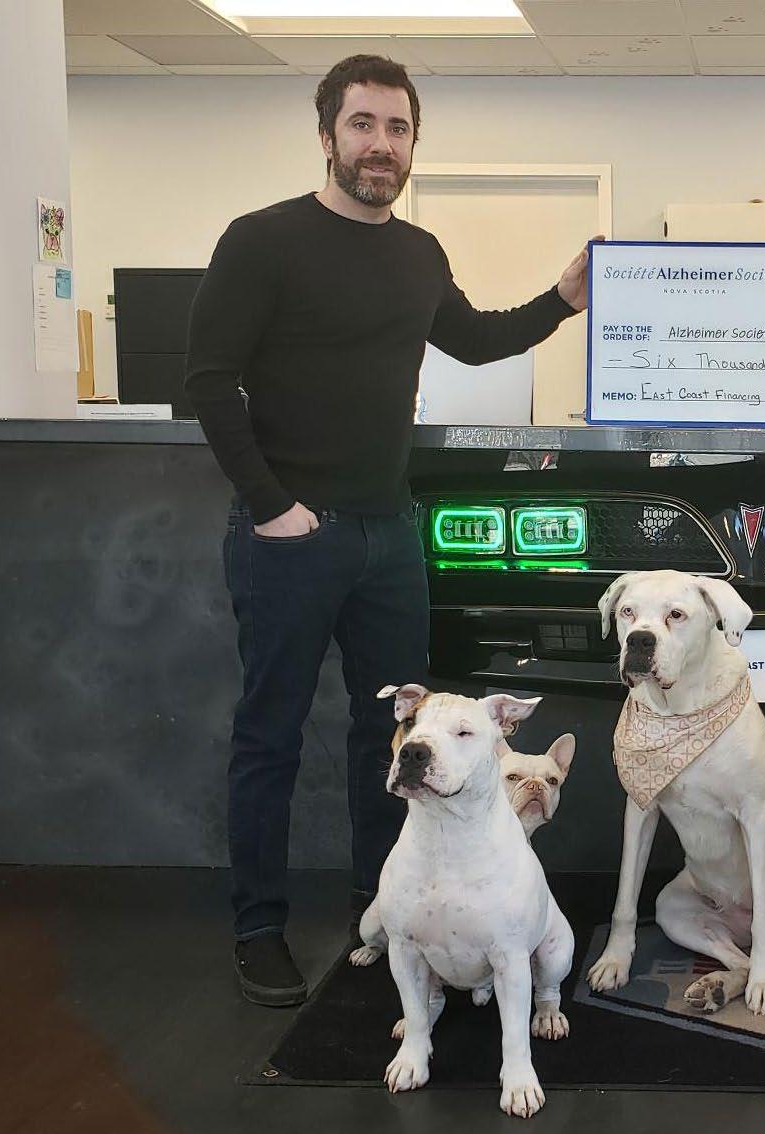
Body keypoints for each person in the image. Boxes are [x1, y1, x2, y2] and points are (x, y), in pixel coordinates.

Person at [184, 54, 593, 1007]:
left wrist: (563, 300)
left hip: (389, 536)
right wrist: (271, 505)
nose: (381, 145)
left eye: (398, 128)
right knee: (270, 736)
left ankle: (382, 915)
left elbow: (476, 338)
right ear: (327, 133)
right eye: (363, 124)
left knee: (394, 739)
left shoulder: (418, 252)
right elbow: (208, 380)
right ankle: (259, 929)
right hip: (288, 536)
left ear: (413, 144)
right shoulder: (263, 240)